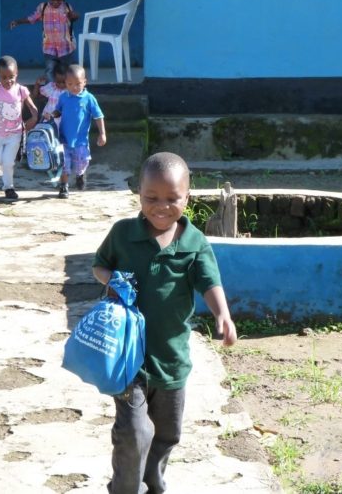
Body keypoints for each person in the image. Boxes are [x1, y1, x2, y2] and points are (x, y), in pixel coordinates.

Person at [92, 152, 237, 494]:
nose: (161, 207)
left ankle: (152, 484)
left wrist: (223, 314)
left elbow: (210, 282)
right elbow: (99, 265)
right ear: (139, 194)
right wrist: (112, 280)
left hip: (171, 360)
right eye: (151, 198)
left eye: (172, 198)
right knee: (134, 432)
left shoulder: (194, 243)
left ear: (187, 196)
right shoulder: (123, 234)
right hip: (128, 359)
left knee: (167, 434)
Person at [0, 55, 38, 200]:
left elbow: (32, 107)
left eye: (11, 77)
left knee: (8, 162)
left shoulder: (21, 90)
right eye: (4, 77)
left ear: (17, 74)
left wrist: (34, 117)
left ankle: (9, 187)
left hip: (15, 134)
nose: (8, 81)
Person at [46, 64, 106, 199]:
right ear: (65, 83)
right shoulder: (63, 97)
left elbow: (98, 116)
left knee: (82, 162)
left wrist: (102, 133)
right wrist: (52, 115)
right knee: (64, 164)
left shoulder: (89, 98)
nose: (74, 87)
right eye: (70, 84)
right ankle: (64, 186)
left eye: (78, 84)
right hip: (64, 139)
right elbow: (58, 111)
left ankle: (80, 174)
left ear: (85, 82)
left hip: (81, 141)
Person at [9, 0, 79, 83]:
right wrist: (18, 22)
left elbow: (74, 18)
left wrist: (75, 16)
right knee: (50, 70)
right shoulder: (43, 8)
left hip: (66, 47)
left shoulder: (67, 7)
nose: (55, 2)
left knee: (67, 71)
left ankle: (66, 90)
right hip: (49, 48)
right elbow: (32, 18)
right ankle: (50, 90)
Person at [32, 62, 67, 128]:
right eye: (58, 82)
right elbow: (35, 95)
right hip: (48, 120)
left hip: (63, 122)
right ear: (54, 79)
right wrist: (37, 84)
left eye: (64, 82)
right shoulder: (51, 87)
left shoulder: (70, 92)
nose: (61, 84)